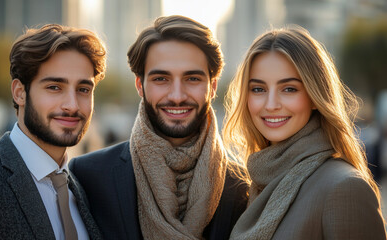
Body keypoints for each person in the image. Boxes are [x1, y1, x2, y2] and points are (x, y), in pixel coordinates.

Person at [70, 15, 248, 240]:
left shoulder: (244, 186)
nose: (176, 96)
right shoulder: (88, 176)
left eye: (192, 79)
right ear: (140, 85)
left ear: (212, 87)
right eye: (161, 79)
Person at [222, 26, 386, 239]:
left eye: (289, 89)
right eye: (258, 89)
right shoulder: (257, 184)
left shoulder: (345, 187)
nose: (271, 105)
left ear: (315, 97)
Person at [0, 24, 106, 239]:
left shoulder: (86, 189)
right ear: (20, 93)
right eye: (55, 87)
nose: (72, 105)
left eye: (83, 89)